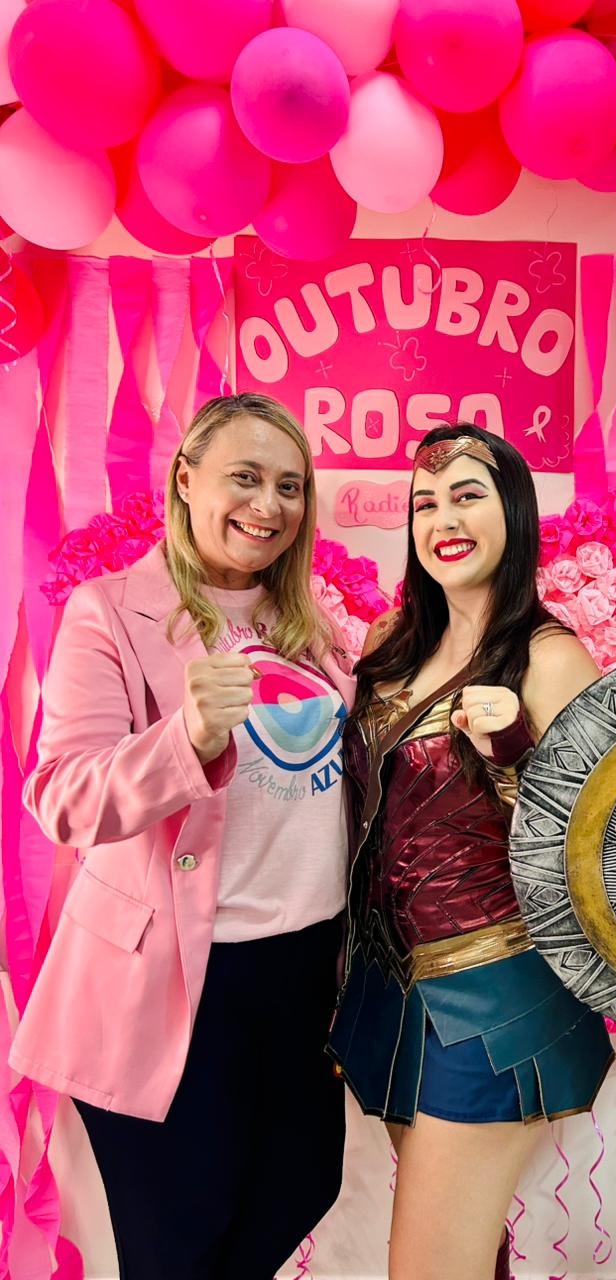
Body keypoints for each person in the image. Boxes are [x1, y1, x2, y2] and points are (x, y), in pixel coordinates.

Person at [11, 393, 354, 1279]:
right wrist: (186, 740)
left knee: (303, 1183)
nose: (269, 504)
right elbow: (62, 796)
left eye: (290, 486)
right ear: (187, 479)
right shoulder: (109, 610)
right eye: (246, 477)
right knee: (180, 1240)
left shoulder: (311, 624)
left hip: (302, 970)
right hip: (177, 981)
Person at [328, 424, 614, 1280]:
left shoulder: (551, 657)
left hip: (497, 997)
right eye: (425, 503)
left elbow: (601, 850)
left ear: (513, 510)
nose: (443, 519)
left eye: (466, 495)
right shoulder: (389, 643)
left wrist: (517, 753)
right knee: (468, 1254)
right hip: (386, 987)